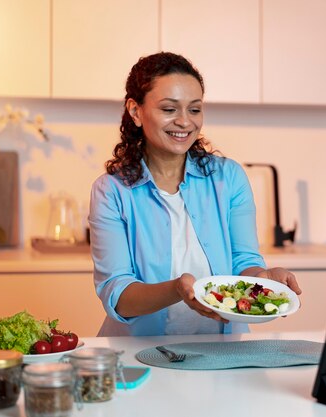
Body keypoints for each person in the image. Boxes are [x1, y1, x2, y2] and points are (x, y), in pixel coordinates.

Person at [88, 52, 301, 336]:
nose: (185, 122)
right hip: (140, 352)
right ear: (136, 111)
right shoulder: (111, 191)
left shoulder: (228, 178)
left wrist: (263, 279)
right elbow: (118, 294)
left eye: (195, 109)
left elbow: (243, 261)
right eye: (169, 109)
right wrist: (177, 289)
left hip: (223, 349)